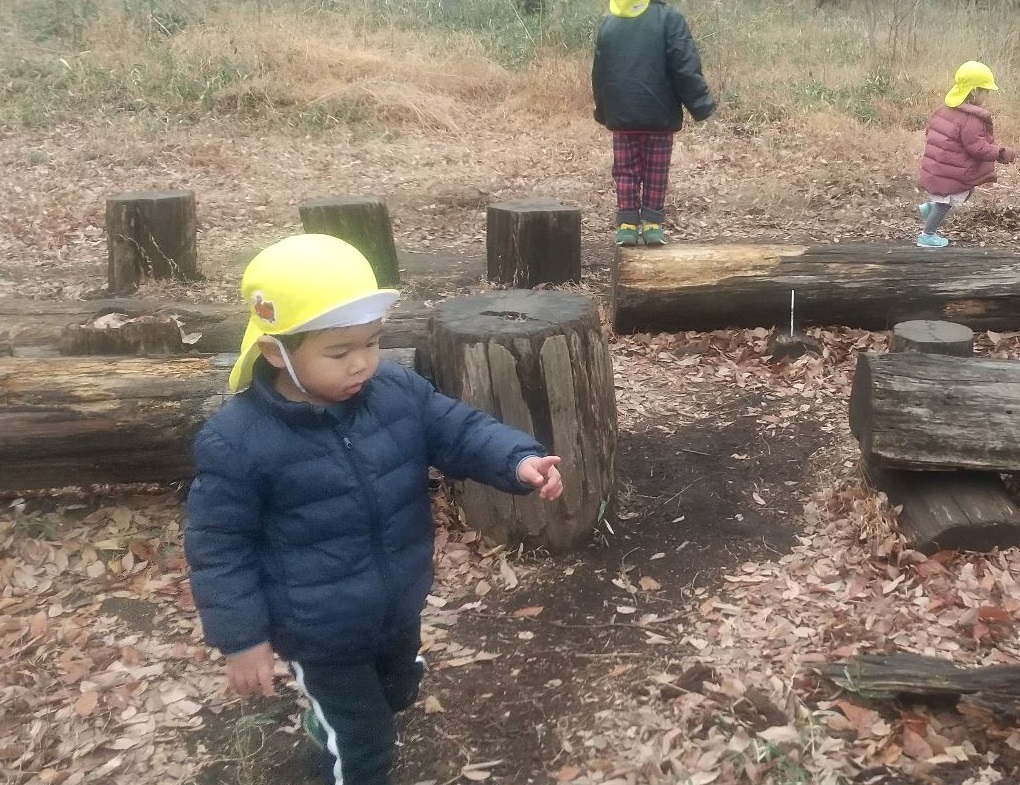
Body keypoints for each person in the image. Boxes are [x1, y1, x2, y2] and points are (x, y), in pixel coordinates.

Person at [185, 234, 566, 785]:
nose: (362, 362)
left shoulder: (394, 390)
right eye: (339, 352)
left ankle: (336, 720)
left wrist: (517, 460)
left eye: (372, 342)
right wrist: (242, 639)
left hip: (396, 601)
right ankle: (343, 746)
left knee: (396, 692)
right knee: (365, 745)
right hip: (317, 628)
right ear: (276, 351)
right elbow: (219, 548)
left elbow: (457, 429)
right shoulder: (238, 441)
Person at [592, 0, 716, 247]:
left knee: (625, 171)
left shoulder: (609, 21)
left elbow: (599, 72)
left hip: (622, 117)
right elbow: (685, 65)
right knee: (656, 172)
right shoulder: (670, 19)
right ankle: (652, 224)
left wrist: (603, 110)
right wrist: (701, 104)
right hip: (659, 115)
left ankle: (627, 225)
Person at [916, 61, 1017, 248]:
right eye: (985, 91)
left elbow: (931, 132)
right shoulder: (971, 119)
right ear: (973, 92)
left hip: (939, 165)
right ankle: (927, 236)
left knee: (966, 190)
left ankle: (930, 209)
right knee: (946, 203)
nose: (987, 96)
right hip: (950, 169)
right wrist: (1001, 153)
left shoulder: (944, 109)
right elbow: (977, 148)